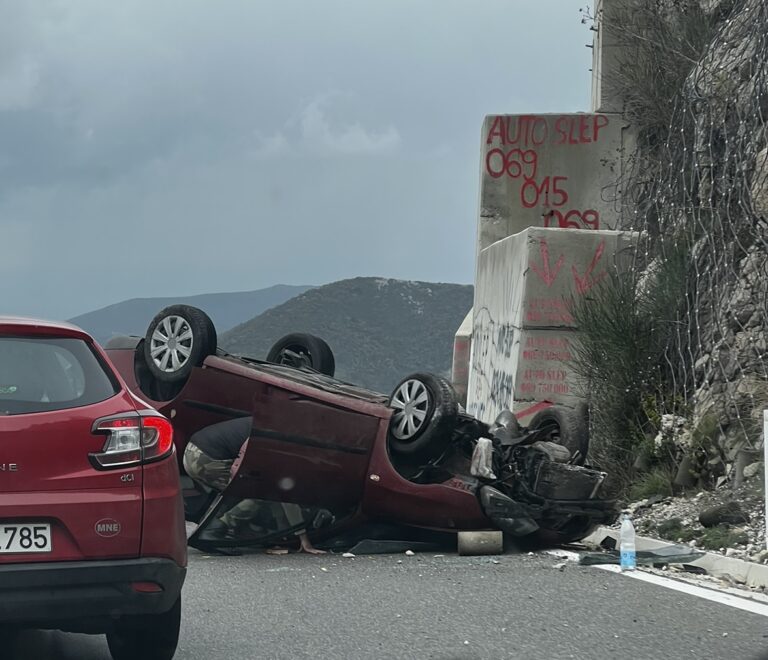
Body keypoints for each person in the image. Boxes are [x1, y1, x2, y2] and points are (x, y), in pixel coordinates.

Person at [183, 416, 325, 554]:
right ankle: (213, 531)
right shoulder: (283, 438)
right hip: (206, 458)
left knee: (246, 491)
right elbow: (282, 494)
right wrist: (303, 538)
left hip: (192, 451)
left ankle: (222, 530)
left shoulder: (275, 423)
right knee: (261, 494)